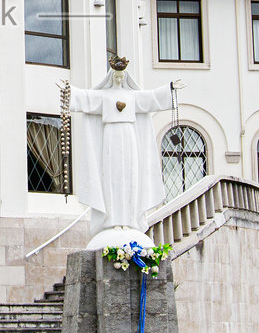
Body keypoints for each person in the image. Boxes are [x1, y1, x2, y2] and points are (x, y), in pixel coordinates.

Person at [63, 56, 184, 245]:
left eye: (121, 77)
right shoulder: (104, 96)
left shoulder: (132, 96)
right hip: (110, 138)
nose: (119, 79)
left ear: (125, 77)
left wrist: (170, 88)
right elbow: (86, 98)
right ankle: (111, 221)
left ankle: (129, 220)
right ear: (112, 77)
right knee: (111, 179)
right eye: (116, 77)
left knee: (130, 178)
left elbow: (151, 98)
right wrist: (68, 90)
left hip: (129, 139)